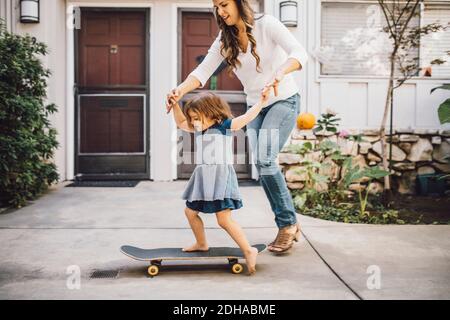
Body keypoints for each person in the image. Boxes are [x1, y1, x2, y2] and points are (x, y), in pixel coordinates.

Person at [166, 0, 308, 253]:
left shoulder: (268, 25)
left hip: (283, 99)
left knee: (265, 158)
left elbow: (299, 53)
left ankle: (287, 224)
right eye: (217, 7)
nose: (220, 12)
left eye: (224, 5)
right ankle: (290, 222)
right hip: (256, 104)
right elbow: (202, 72)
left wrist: (280, 72)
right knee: (263, 163)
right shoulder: (225, 39)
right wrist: (179, 90)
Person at [170, 89, 270, 275]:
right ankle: (201, 243)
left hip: (220, 176)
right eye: (192, 118)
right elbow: (181, 122)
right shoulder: (199, 128)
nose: (193, 122)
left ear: (212, 114)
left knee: (223, 220)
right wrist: (175, 103)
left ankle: (249, 249)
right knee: (190, 212)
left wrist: (261, 103)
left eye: (197, 118)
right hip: (203, 176)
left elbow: (246, 117)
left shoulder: (224, 125)